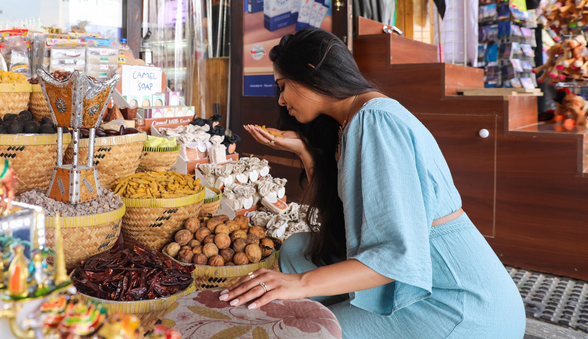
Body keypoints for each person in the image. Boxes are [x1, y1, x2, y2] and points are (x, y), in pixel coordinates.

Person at [219, 28, 525, 338]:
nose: (282, 101)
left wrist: (300, 285)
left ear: (311, 72)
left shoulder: (375, 121)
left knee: (299, 330)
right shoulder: (353, 120)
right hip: (419, 278)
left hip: (456, 302)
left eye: (283, 86)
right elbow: (341, 213)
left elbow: (396, 254)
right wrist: (305, 151)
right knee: (299, 249)